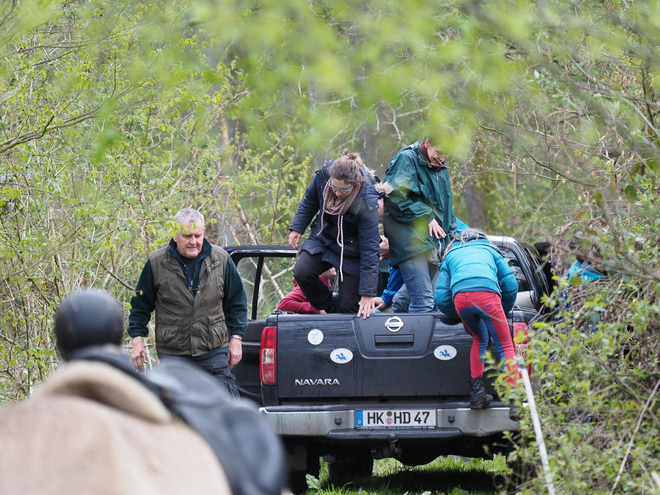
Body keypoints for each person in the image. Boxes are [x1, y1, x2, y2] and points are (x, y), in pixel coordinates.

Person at [128, 208, 247, 397]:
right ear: (175, 235)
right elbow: (140, 306)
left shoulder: (221, 259)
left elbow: (237, 302)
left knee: (224, 412)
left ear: (204, 233)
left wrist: (237, 338)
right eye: (187, 236)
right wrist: (137, 339)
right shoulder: (156, 263)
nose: (193, 241)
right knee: (172, 415)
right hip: (173, 356)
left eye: (197, 235)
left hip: (214, 352)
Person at [434, 229, 519, 419]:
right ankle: (514, 401)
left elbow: (440, 297)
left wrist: (456, 313)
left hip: (461, 301)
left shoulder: (451, 255)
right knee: (505, 345)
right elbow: (511, 285)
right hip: (488, 296)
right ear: (481, 237)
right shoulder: (490, 249)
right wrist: (501, 312)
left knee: (479, 338)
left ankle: (477, 395)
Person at [288, 150, 381, 318]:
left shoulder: (367, 200)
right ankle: (328, 306)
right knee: (301, 273)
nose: (336, 193)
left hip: (352, 251)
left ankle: (348, 339)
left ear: (354, 184)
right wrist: (297, 227)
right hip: (323, 237)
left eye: (342, 190)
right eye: (334, 187)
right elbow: (310, 200)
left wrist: (368, 293)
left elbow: (370, 248)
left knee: (348, 308)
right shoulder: (324, 176)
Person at [383, 138, 457, 313]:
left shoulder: (440, 166)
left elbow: (446, 207)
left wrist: (452, 235)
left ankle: (395, 333)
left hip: (434, 242)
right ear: (428, 143)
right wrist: (426, 216)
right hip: (411, 243)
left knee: (404, 300)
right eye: (439, 152)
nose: (443, 158)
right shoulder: (407, 159)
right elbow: (394, 197)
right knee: (424, 302)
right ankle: (422, 341)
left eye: (448, 154)